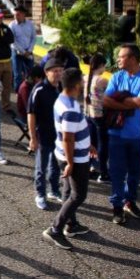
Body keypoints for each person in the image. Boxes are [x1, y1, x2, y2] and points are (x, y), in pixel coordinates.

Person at [42, 67, 95, 250]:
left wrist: (89, 144)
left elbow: (73, 131)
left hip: (66, 154)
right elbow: (68, 137)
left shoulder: (63, 99)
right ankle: (55, 229)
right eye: (82, 80)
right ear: (77, 84)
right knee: (78, 195)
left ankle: (71, 225)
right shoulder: (70, 107)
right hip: (75, 158)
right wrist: (71, 163)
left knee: (68, 190)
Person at [103, 44, 140, 224]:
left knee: (134, 172)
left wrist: (119, 101)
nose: (117, 59)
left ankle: (129, 201)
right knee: (117, 172)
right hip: (116, 134)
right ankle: (117, 207)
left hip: (137, 135)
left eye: (121, 56)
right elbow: (106, 100)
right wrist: (128, 104)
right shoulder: (116, 76)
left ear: (132, 58)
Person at [29, 58, 64, 210]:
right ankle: (40, 194)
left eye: (60, 71)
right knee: (41, 167)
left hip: (59, 135)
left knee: (56, 165)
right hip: (42, 135)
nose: (58, 74)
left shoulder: (61, 87)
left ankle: (54, 190)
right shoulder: (39, 89)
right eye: (54, 71)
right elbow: (31, 114)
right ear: (46, 72)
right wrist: (32, 137)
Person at [84, 54, 110, 183]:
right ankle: (103, 172)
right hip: (100, 116)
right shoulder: (102, 80)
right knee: (103, 145)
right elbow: (111, 96)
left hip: (88, 115)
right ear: (101, 65)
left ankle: (89, 168)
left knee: (91, 144)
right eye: (104, 65)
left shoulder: (85, 78)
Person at [10, 6, 37, 92]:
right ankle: (18, 92)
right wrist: (23, 51)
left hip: (28, 52)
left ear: (23, 14)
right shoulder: (12, 25)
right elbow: (12, 41)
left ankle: (30, 91)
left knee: (30, 73)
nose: (15, 17)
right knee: (17, 75)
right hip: (17, 52)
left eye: (17, 15)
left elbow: (34, 38)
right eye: (14, 15)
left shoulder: (30, 24)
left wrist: (29, 50)